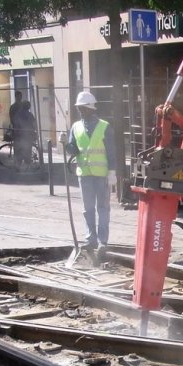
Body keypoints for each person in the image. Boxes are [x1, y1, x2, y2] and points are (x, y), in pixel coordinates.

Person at [66, 89, 118, 252]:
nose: (80, 110)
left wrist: (112, 172)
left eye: (83, 108)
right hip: (84, 175)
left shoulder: (104, 127)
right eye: (79, 108)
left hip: (102, 175)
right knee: (87, 209)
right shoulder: (75, 127)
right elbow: (74, 151)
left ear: (91, 108)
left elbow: (111, 151)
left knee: (102, 209)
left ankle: (103, 241)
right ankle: (91, 239)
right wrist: (65, 144)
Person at [13, 99, 38, 169]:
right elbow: (34, 124)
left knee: (19, 151)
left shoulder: (18, 114)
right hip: (28, 136)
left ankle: (18, 166)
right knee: (27, 150)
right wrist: (36, 132)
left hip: (19, 135)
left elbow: (15, 123)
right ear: (28, 107)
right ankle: (27, 165)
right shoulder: (30, 115)